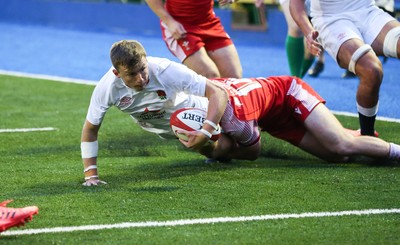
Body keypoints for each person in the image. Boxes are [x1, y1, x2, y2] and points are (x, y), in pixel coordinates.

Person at [80, 40, 400, 186]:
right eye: (133, 75)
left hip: (287, 93)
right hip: (269, 118)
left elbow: (220, 97)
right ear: (116, 72)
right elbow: (90, 129)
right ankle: (358, 139)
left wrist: (206, 132)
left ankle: (389, 150)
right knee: (337, 154)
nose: (141, 78)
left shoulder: (174, 75)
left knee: (341, 146)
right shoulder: (106, 89)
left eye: (143, 70)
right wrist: (91, 176)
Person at [290, 0, 400, 136]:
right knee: (372, 70)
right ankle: (367, 136)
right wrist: (308, 31)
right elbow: (296, 4)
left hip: (368, 11)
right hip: (332, 18)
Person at [144, 0, 242, 78]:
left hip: (209, 23)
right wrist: (169, 21)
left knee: (234, 77)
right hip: (180, 25)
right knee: (210, 76)